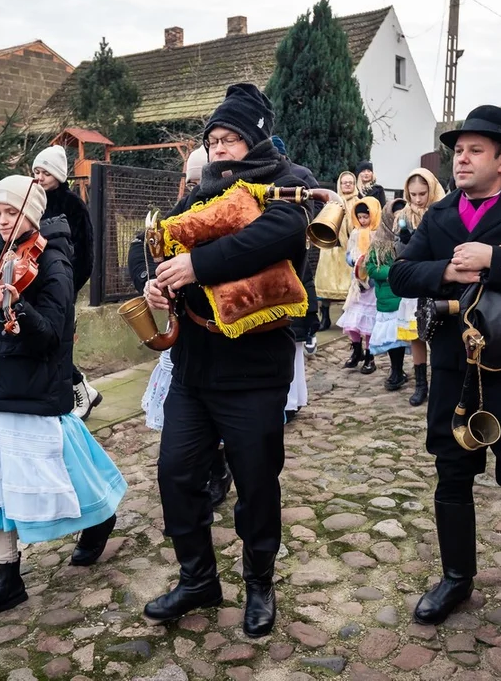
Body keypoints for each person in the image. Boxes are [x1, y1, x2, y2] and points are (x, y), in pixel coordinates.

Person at [389, 105, 501, 626]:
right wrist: (445, 269)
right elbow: (401, 274)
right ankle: (456, 578)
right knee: (451, 471)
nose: (461, 160)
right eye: (458, 151)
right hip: (454, 366)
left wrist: (495, 259)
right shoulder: (443, 215)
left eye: (474, 151)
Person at [139, 83, 309, 638]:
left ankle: (259, 582)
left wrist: (197, 266)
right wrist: (157, 287)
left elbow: (274, 236)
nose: (220, 148)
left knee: (257, 482)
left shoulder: (290, 183)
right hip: (193, 366)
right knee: (176, 475)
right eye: (213, 138)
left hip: (255, 371)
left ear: (256, 139)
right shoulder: (196, 197)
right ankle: (198, 579)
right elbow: (167, 254)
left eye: (232, 138)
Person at [0, 176, 126, 623]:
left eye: (11, 212)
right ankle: (6, 580)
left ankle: (99, 515)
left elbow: (52, 335)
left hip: (31, 388)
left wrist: (17, 306)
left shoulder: (53, 263)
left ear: (31, 214)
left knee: (59, 467)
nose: (4, 221)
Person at [129, 146, 232, 509]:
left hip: (227, 338)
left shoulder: (231, 216)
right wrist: (150, 283)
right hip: (186, 339)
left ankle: (219, 468)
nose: (195, 190)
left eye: (203, 180)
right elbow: (142, 251)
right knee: (182, 428)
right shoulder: (175, 216)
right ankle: (196, 479)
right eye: (190, 182)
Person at [33, 146, 102, 420]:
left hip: (61, 285)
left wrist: (68, 287)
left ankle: (81, 391)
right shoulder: (32, 199)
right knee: (45, 344)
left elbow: (85, 253)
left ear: (58, 175)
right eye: (36, 171)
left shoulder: (73, 205)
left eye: (45, 172)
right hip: (34, 284)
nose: (39, 177)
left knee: (59, 345)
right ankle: (84, 389)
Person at [395, 168, 447, 406]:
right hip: (414, 282)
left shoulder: (443, 213)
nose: (417, 199)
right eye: (413, 194)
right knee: (415, 335)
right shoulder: (403, 215)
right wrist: (404, 242)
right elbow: (396, 255)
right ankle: (420, 384)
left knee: (437, 334)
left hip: (436, 282)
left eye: (422, 193)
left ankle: (441, 382)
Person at [272, 135, 321, 355]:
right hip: (269, 245)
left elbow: (319, 201)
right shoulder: (260, 174)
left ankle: (306, 332)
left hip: (297, 241)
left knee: (301, 281)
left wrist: (305, 220)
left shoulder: (300, 173)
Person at [366, 199, 410, 391]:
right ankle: (396, 370)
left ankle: (404, 371)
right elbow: (372, 268)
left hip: (406, 296)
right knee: (392, 337)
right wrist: (394, 272)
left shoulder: (412, 237)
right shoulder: (378, 241)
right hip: (387, 296)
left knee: (404, 336)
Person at [337, 199, 381, 373]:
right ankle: (357, 350)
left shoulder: (378, 234)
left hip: (371, 283)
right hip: (356, 283)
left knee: (368, 322)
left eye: (366, 217)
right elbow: (349, 252)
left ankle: (370, 356)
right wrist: (353, 260)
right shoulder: (355, 233)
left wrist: (369, 267)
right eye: (360, 217)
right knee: (352, 320)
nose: (363, 220)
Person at [314, 171, 360, 332]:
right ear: (339, 184)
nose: (347, 185)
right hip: (331, 249)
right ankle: (325, 319)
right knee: (325, 286)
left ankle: (349, 319)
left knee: (350, 287)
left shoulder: (358, 203)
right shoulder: (332, 201)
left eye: (350, 182)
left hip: (349, 250)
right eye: (344, 182)